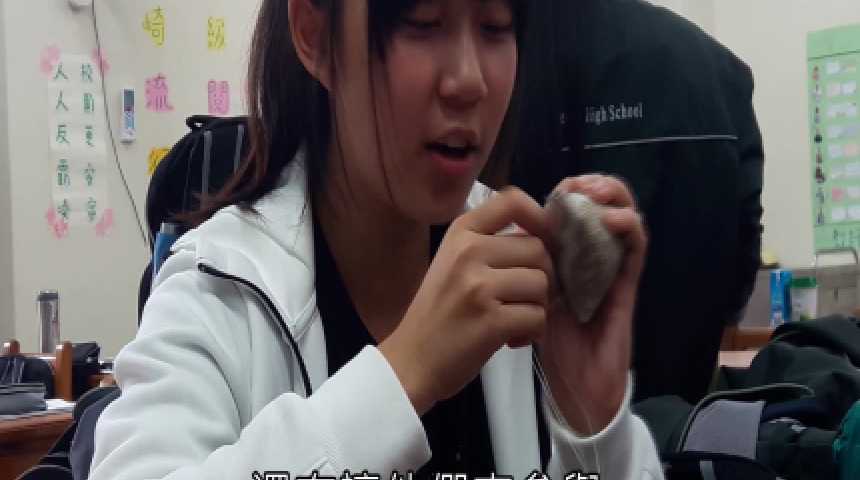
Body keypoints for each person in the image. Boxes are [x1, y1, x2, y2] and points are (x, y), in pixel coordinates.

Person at [88, 1, 663, 479]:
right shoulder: (216, 289)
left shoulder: (521, 264)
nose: (470, 80)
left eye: (496, 27)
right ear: (314, 36)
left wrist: (593, 428)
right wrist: (406, 373)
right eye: (423, 21)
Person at [510, 0, 765, 404]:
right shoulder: (716, 70)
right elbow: (742, 259)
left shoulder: (511, 60)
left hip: (532, 423)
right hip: (683, 420)